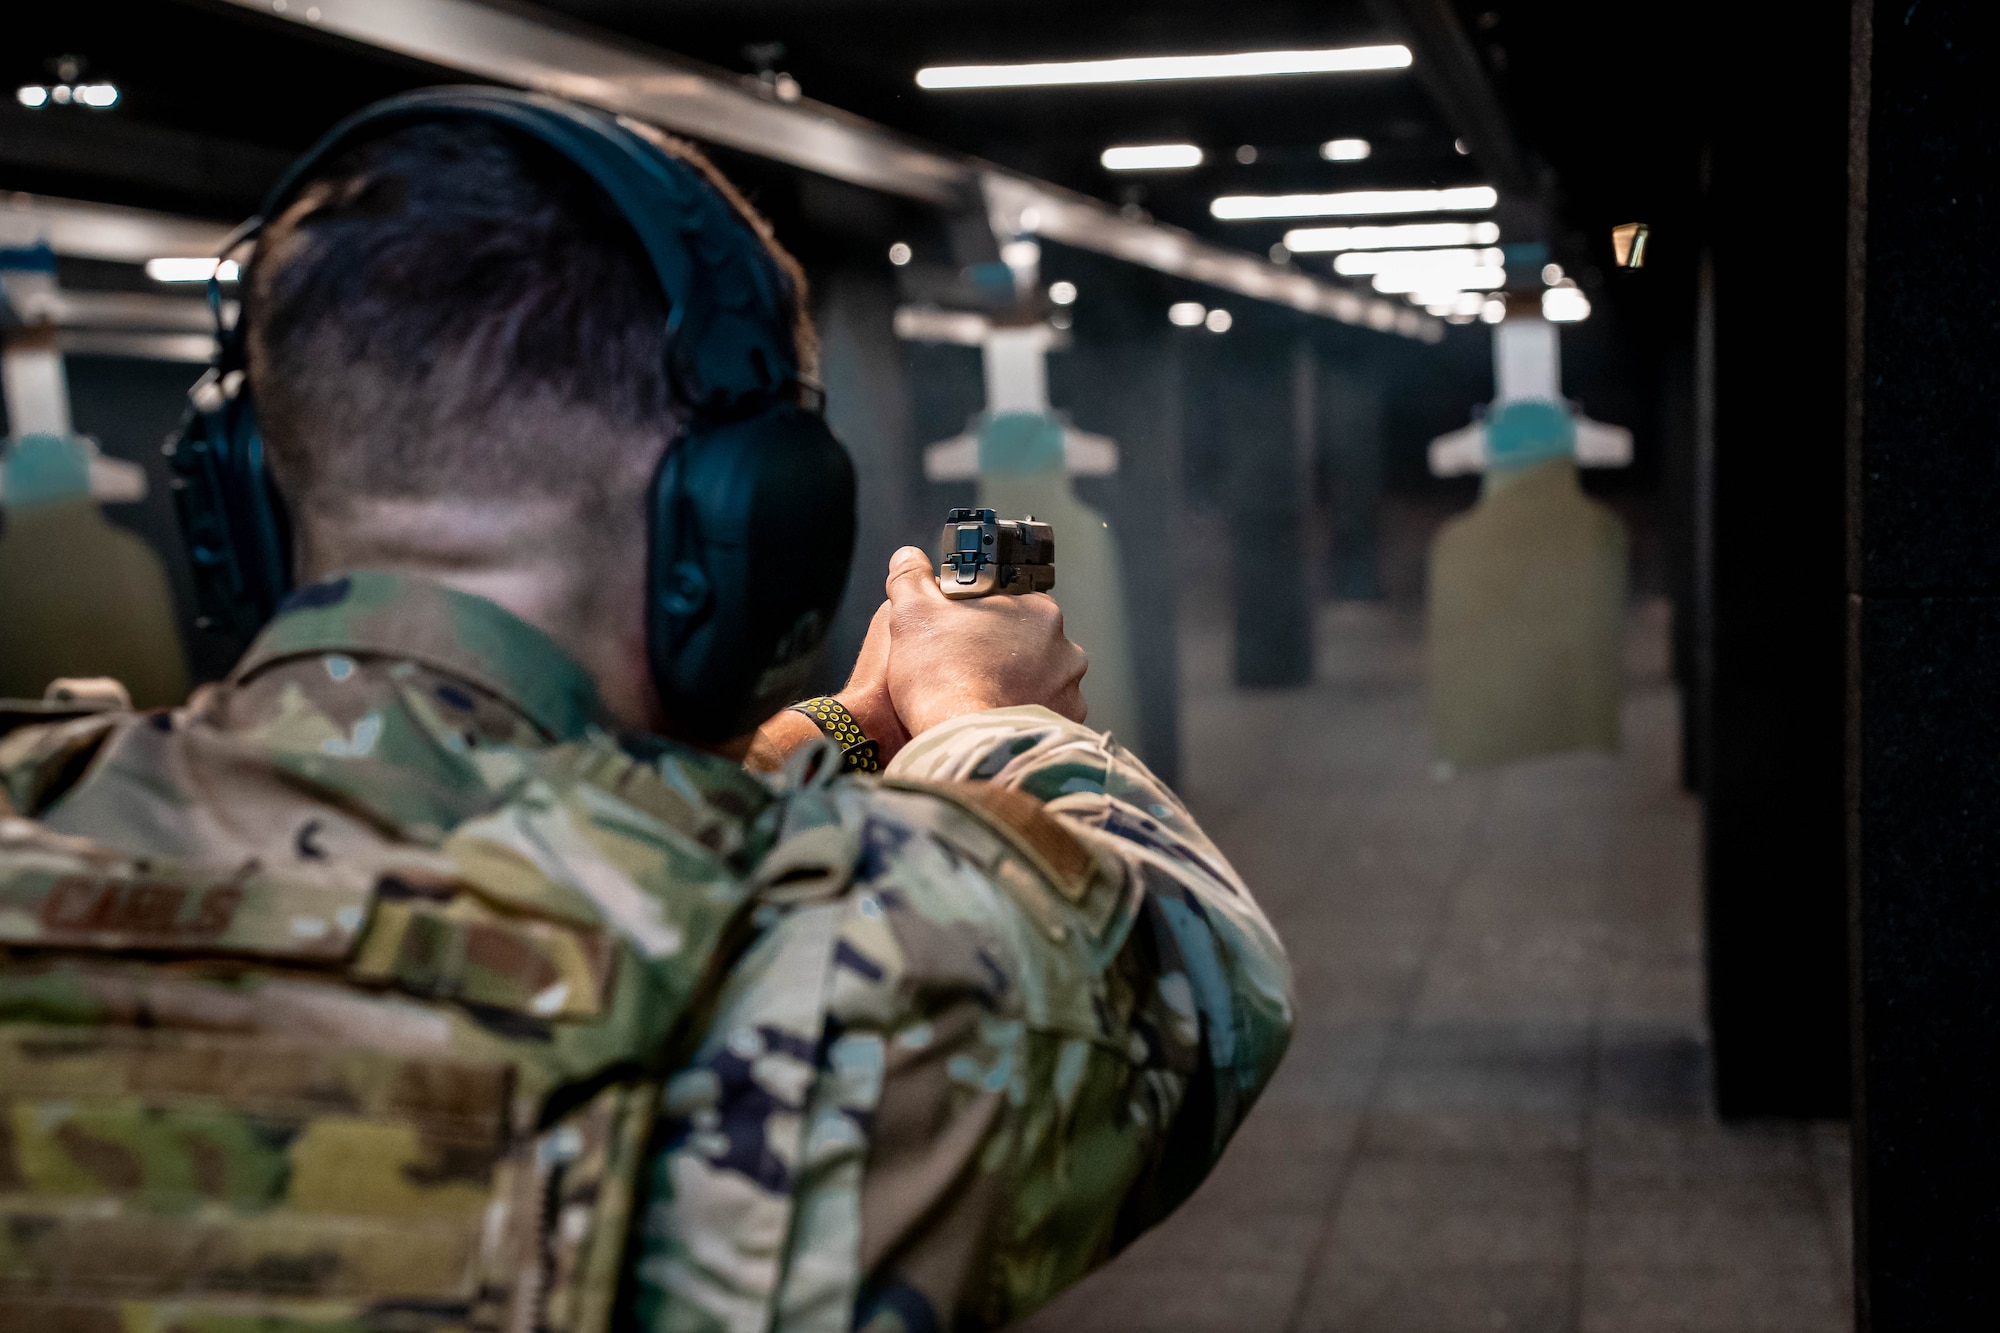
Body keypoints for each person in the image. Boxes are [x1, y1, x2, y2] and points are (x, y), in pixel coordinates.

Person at [0, 91, 1291, 1333]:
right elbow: (1207, 970)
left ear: (236, 492)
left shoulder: (36, 787)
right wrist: (980, 712)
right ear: (753, 515)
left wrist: (852, 725)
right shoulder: (856, 971)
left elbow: (529, 798)